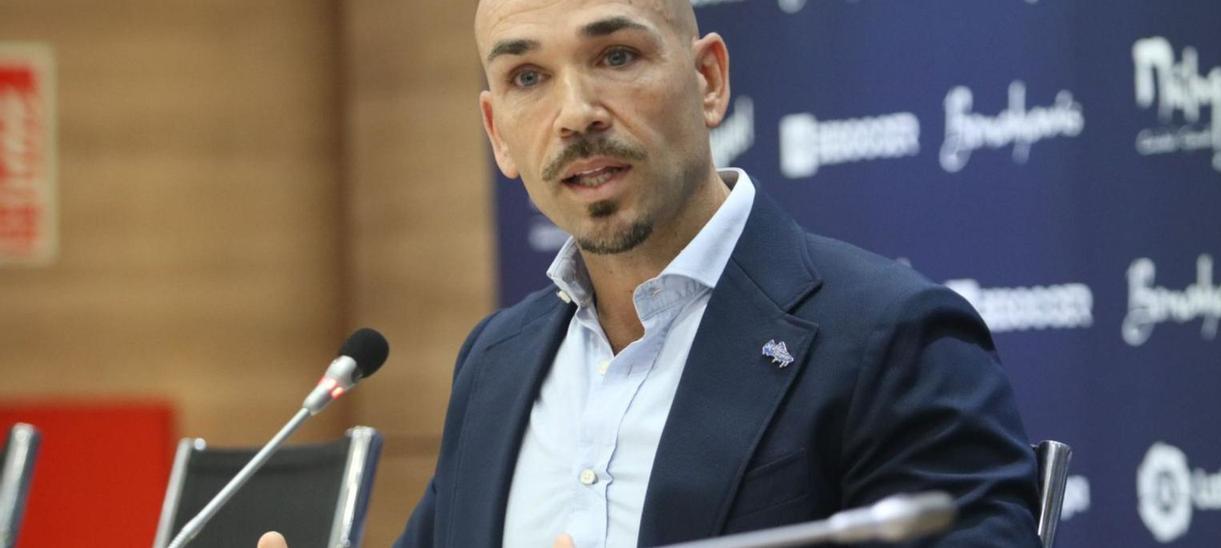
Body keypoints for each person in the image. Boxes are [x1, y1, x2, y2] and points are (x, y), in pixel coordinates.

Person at [262, 0, 1040, 546]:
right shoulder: (495, 362)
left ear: (708, 80)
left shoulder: (889, 336)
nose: (576, 113)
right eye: (527, 76)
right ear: (498, 134)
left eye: (616, 57)